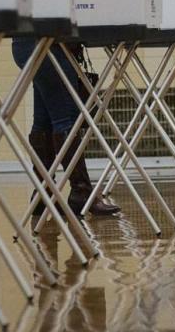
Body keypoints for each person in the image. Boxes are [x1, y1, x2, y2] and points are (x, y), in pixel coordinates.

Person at [10, 39, 120, 220]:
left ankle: (42, 195)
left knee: (43, 121)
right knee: (65, 120)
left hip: (23, 45)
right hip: (51, 45)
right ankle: (81, 191)